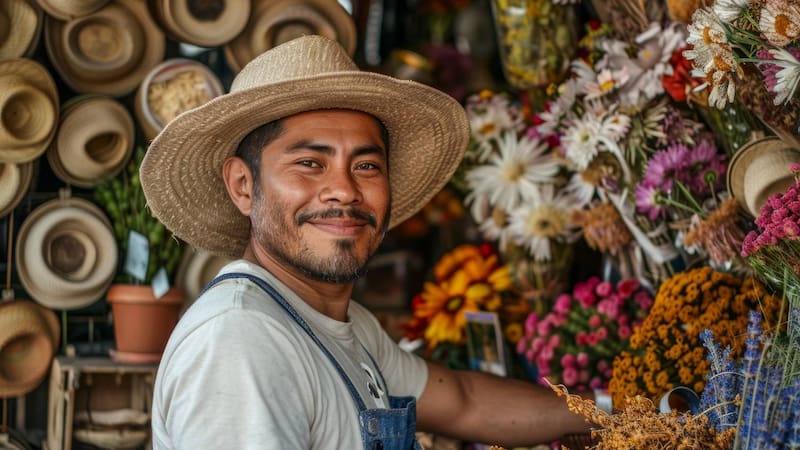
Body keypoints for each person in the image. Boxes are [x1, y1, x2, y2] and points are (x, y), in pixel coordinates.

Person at [140, 35, 595, 450]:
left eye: (366, 167)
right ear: (243, 186)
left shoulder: (339, 324)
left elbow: (466, 402)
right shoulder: (242, 340)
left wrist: (627, 416)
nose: (345, 190)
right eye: (309, 163)